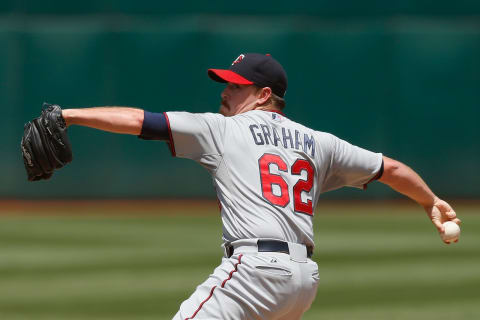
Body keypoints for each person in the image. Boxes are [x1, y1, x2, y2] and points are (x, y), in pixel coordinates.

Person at [60, 53, 460, 320]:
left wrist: (69, 116)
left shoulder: (222, 129)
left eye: (236, 85)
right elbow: (389, 168)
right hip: (303, 281)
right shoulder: (319, 141)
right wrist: (432, 201)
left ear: (264, 94)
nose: (225, 90)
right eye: (227, 83)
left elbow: (140, 121)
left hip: (255, 272)